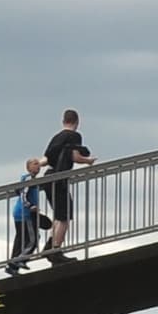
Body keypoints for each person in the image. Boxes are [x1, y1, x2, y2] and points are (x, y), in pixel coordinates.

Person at [41, 108, 92, 258]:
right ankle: (55, 250)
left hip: (48, 177)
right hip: (60, 179)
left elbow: (46, 159)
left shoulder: (56, 137)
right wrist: (88, 161)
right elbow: (75, 156)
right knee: (65, 217)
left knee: (59, 214)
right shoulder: (74, 136)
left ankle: (50, 246)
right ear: (77, 122)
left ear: (63, 121)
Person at [9, 158, 47, 267]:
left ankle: (13, 265)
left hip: (20, 213)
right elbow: (23, 194)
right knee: (33, 239)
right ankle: (18, 260)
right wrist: (30, 206)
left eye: (38, 164)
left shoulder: (31, 179)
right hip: (25, 213)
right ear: (28, 167)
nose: (38, 166)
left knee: (21, 238)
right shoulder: (29, 178)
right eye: (35, 164)